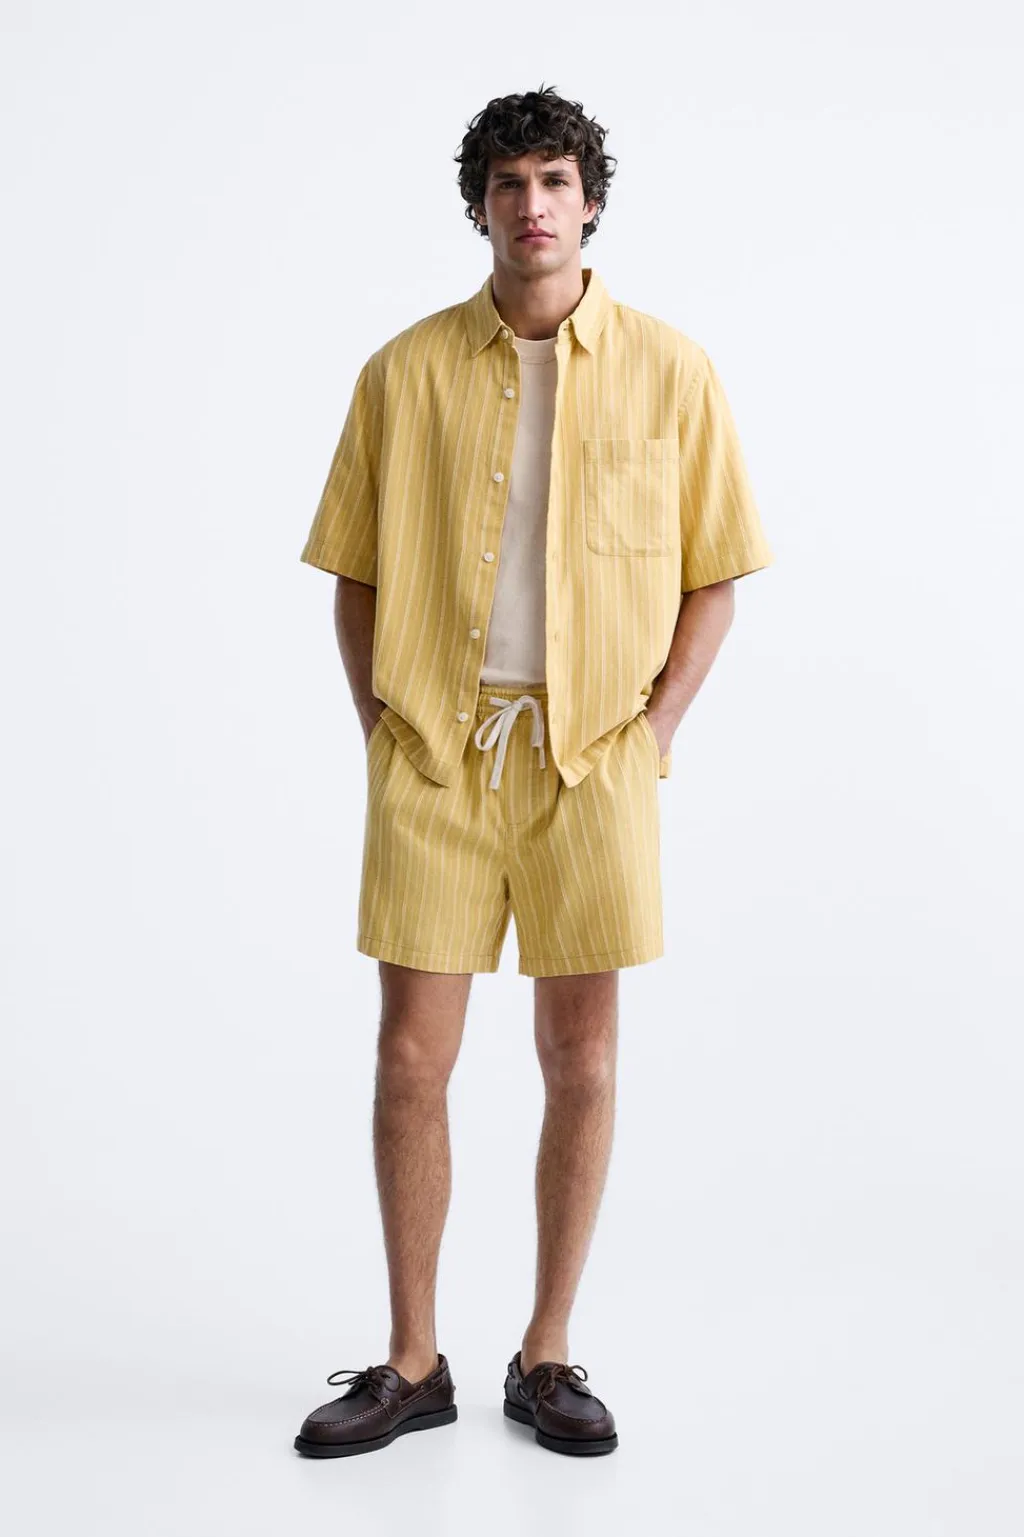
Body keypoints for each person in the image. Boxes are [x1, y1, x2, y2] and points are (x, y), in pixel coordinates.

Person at [292, 84, 774, 1461]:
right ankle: (411, 1362)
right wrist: (384, 731)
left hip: (594, 764)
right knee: (410, 1056)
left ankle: (548, 1352)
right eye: (507, 184)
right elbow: (354, 574)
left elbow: (718, 574)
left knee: (583, 1055)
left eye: (554, 180)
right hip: (439, 757)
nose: (532, 205)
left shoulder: (673, 371)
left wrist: (656, 731)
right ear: (480, 209)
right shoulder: (402, 372)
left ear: (590, 202)